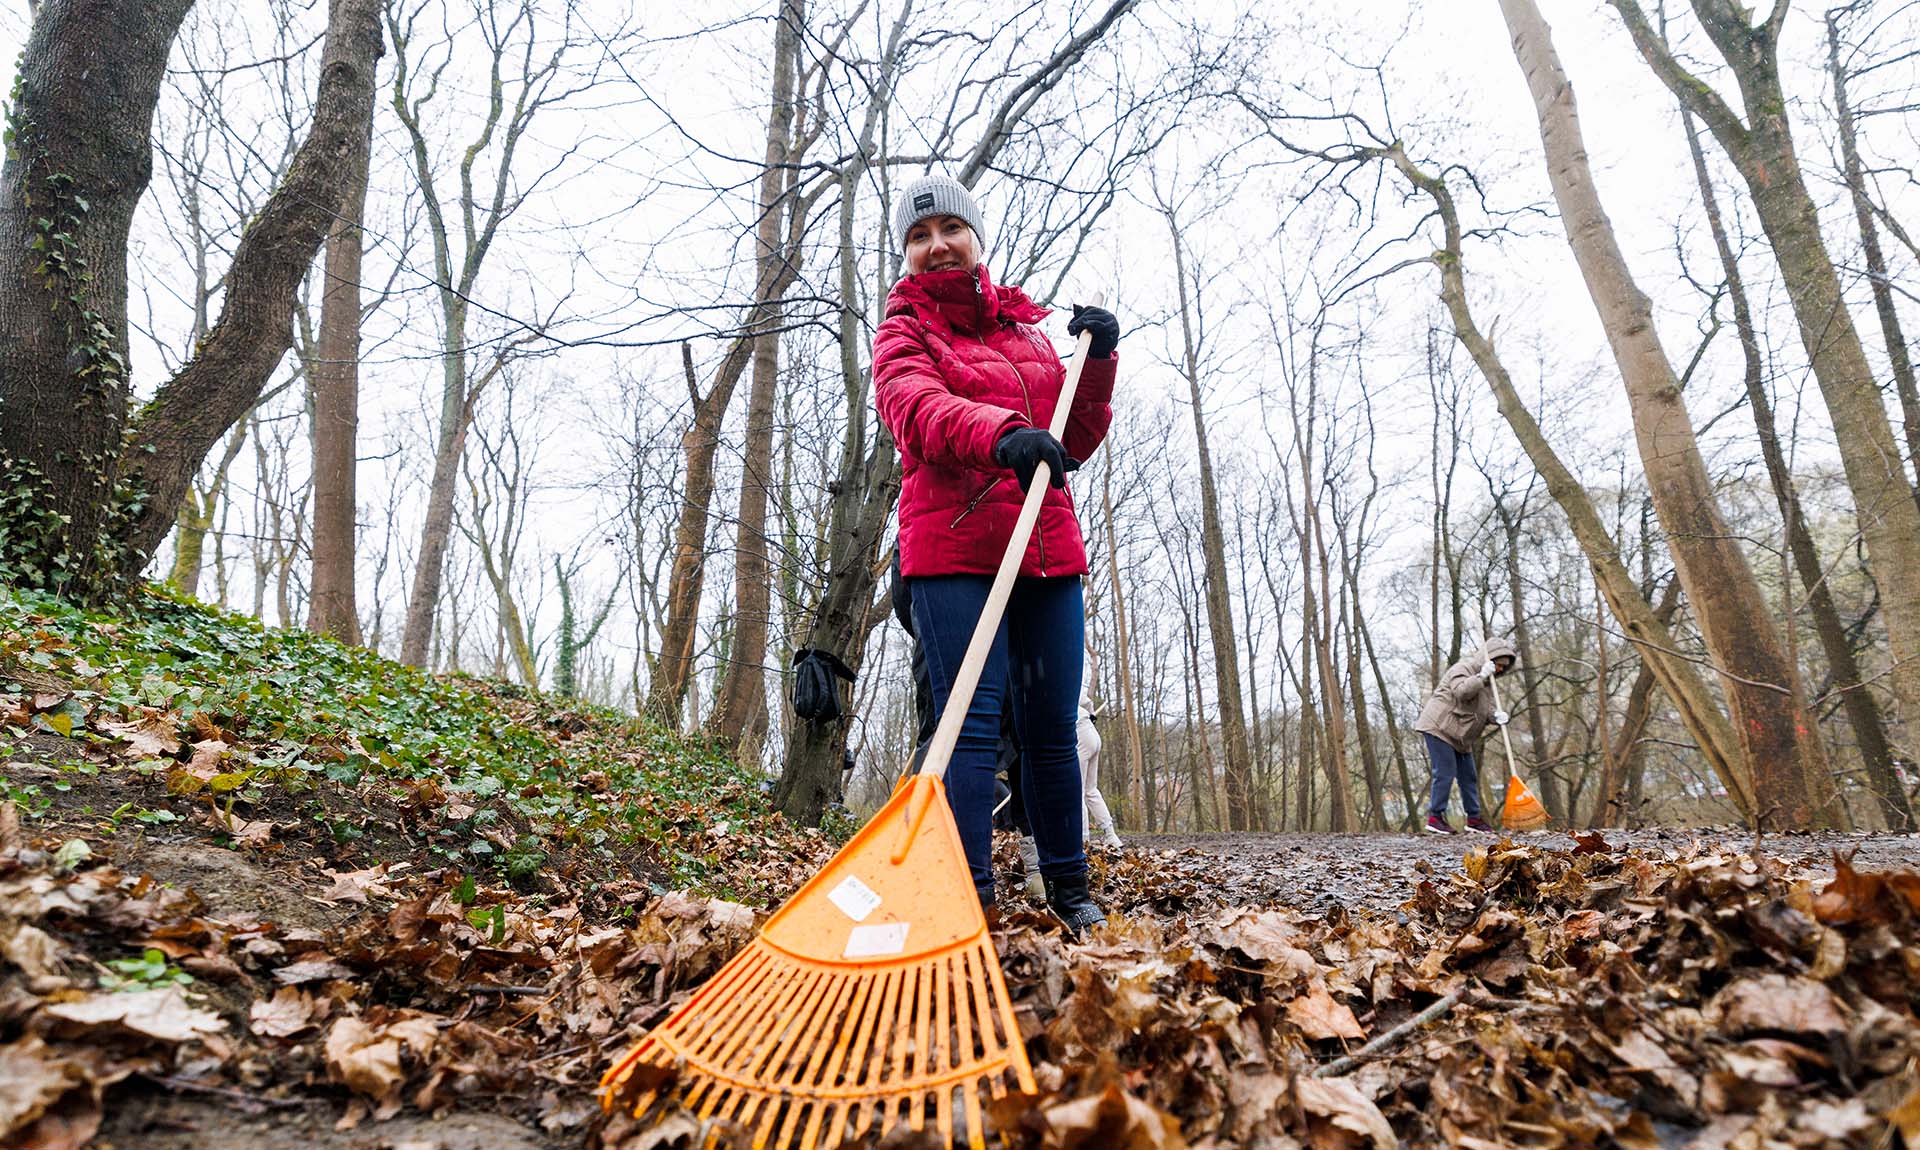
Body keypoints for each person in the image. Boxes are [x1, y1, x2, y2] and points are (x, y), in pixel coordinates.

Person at [873, 173, 1120, 933]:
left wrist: (1098, 364)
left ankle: (1071, 892)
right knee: (971, 725)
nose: (938, 245)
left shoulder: (1026, 332)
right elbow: (915, 411)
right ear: (907, 254)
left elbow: (1070, 440)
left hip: (1046, 549)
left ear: (976, 238)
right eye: (919, 236)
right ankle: (968, 899)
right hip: (952, 550)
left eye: (951, 228)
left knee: (1052, 730)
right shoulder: (903, 330)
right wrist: (1002, 432)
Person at [1412, 637, 1518, 834]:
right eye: (1498, 664)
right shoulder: (1463, 669)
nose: (1500, 669)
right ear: (1489, 660)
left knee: (1469, 776)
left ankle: (1474, 819)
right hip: (1439, 727)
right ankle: (1435, 817)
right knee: (1445, 772)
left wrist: (1495, 716)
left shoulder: (1489, 685)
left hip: (1461, 736)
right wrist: (1481, 676)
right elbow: (1462, 692)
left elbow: (1483, 709)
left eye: (1504, 667)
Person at [1076, 675, 1123, 851]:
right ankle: (1111, 835)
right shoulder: (1067, 685)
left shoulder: (1054, 689)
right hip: (1092, 733)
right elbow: (1086, 701)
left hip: (1081, 735)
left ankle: (1083, 841)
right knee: (1090, 790)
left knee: (1078, 792)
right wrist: (1090, 711)